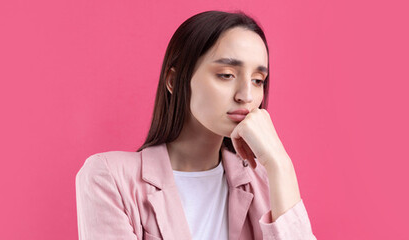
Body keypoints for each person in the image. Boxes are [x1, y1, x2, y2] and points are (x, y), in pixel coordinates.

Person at [75, 10, 316, 240]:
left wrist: (281, 165)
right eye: (226, 74)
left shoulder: (264, 181)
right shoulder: (109, 178)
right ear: (174, 80)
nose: (246, 96)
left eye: (257, 80)